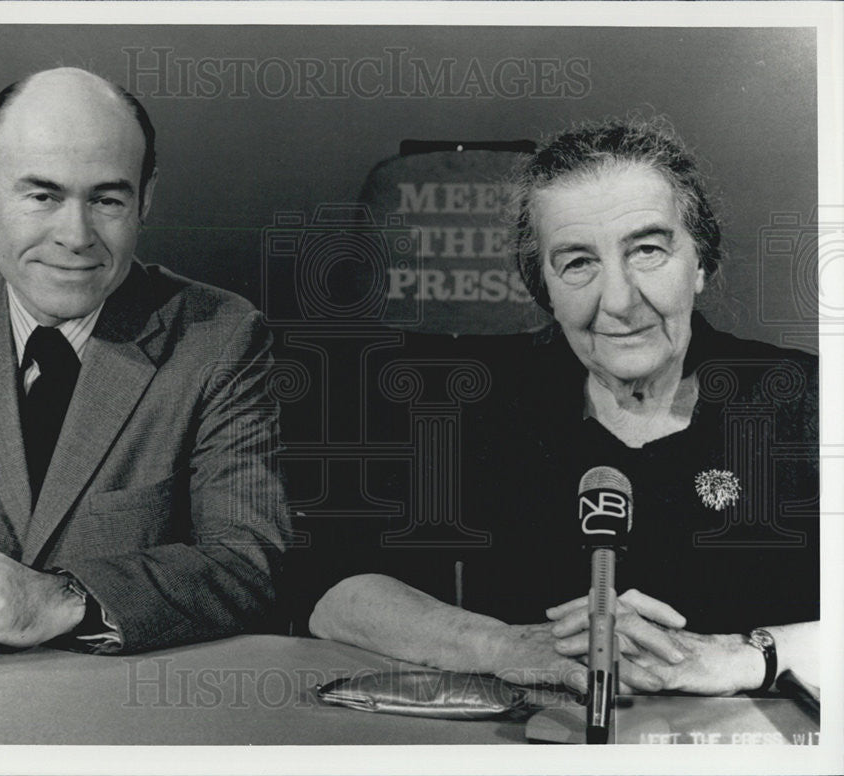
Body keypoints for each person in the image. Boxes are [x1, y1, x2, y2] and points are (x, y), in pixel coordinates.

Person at [308, 118, 819, 697]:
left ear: (701, 263)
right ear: (544, 289)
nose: (620, 301)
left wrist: (747, 657)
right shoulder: (468, 407)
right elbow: (337, 593)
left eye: (648, 250)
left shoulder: (808, 400)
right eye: (577, 263)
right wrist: (505, 645)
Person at [0, 67, 290, 655]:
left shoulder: (219, 336)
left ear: (146, 198)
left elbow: (250, 566)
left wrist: (58, 596)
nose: (77, 235)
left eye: (107, 199)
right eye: (42, 195)